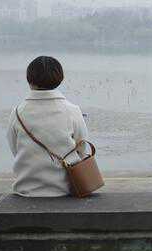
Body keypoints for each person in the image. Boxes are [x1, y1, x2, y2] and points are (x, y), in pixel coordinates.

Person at [7, 55, 90, 197]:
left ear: (29, 79)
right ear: (60, 78)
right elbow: (82, 149)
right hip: (66, 188)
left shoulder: (17, 112)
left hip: (26, 189)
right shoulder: (72, 110)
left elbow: (15, 148)